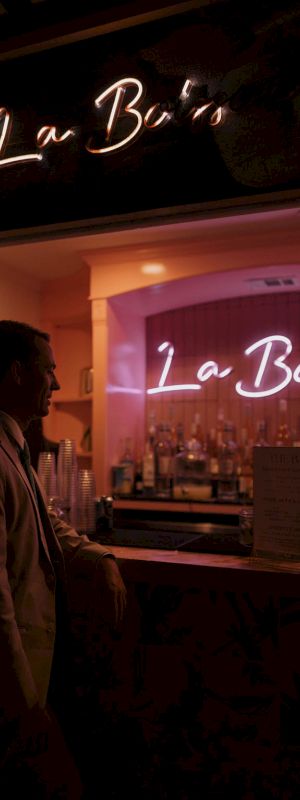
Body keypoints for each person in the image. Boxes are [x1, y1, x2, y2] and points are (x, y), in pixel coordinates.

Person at [0, 320, 127, 798]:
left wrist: (99, 557)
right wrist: (23, 700)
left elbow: (47, 521)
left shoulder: (14, 445)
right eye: (47, 370)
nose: (55, 383)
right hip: (15, 692)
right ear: (16, 372)